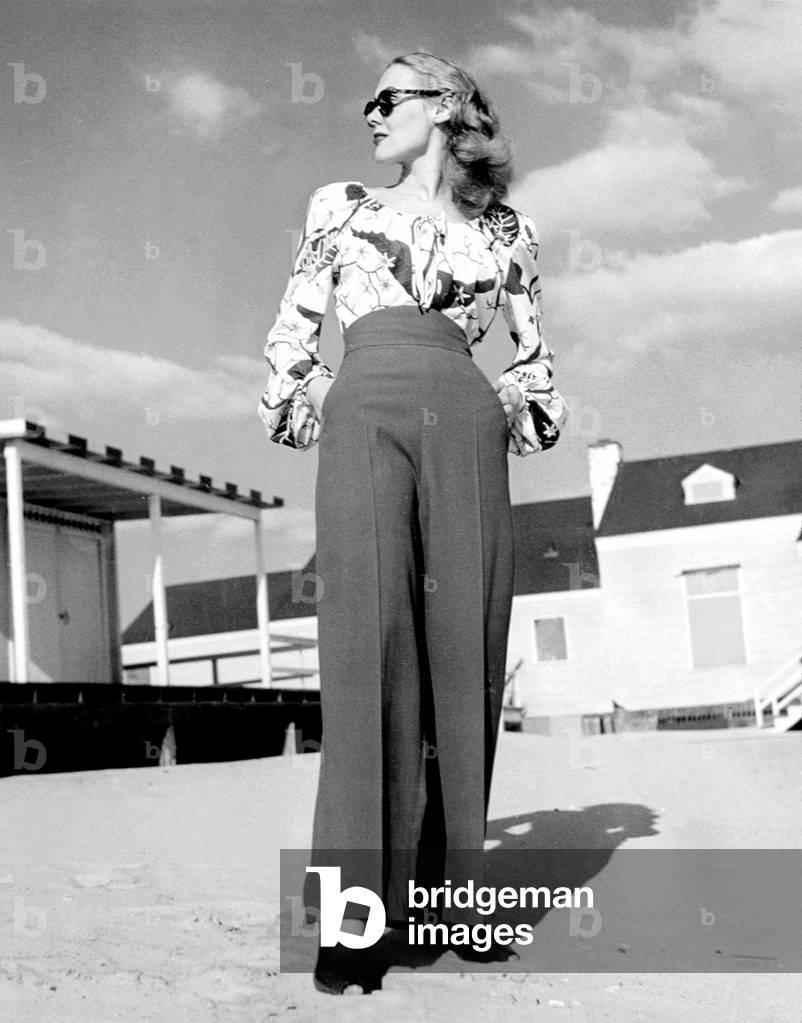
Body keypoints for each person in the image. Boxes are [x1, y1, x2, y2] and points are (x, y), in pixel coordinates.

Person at [258, 50, 568, 994]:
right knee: (367, 649)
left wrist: (500, 407)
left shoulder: (507, 229)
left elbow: (533, 356)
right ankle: (355, 919)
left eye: (387, 99)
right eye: (366, 102)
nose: (369, 115)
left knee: (464, 649)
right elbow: (291, 331)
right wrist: (334, 399)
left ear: (445, 110)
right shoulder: (340, 206)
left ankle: (456, 898)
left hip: (463, 424)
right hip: (366, 412)